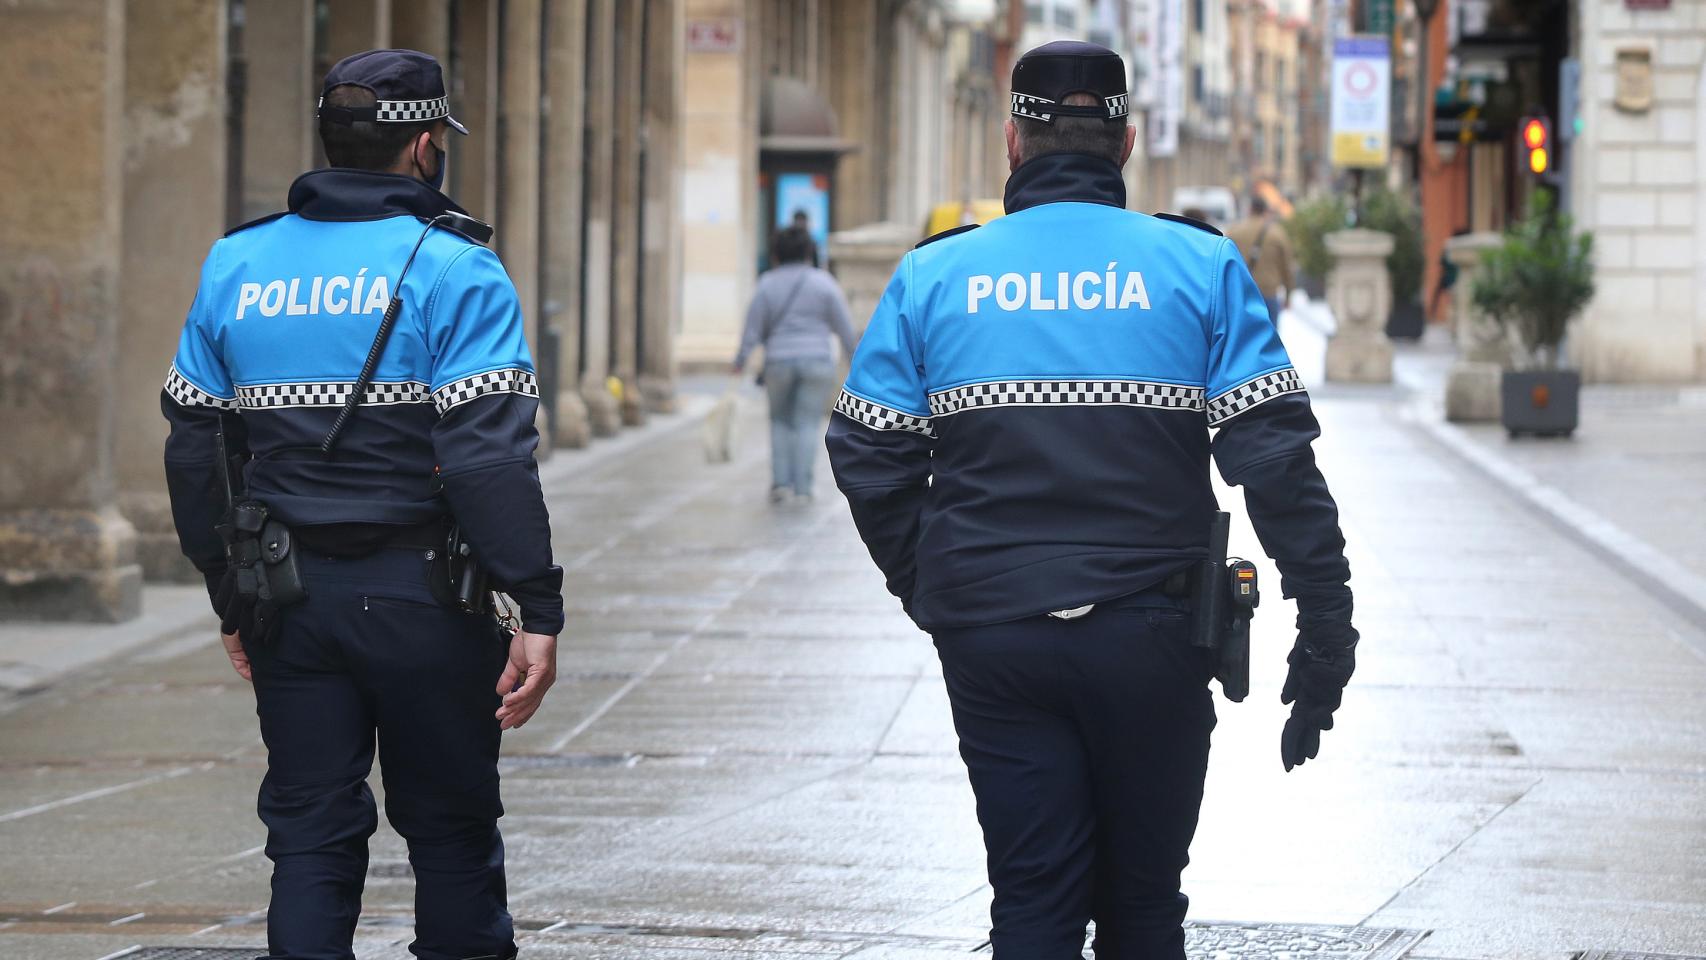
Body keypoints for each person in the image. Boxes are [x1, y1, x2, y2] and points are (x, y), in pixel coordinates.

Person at [826, 40, 1358, 960]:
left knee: (1031, 901)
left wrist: (939, 583)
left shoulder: (934, 275)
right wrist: (1326, 623)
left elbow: (866, 448)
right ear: (1126, 143)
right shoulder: (1199, 265)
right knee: (1145, 906)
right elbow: (1275, 463)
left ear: (1012, 143)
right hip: (1153, 634)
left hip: (995, 635)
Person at [162, 49, 562, 960]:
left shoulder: (236, 262)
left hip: (287, 600)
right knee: (452, 833)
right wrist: (537, 603)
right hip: (426, 598)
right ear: (425, 146)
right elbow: (489, 458)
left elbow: (195, 450)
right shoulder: (457, 267)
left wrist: (230, 592)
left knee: (307, 836)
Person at [734, 224, 857, 504]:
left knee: (779, 421)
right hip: (816, 362)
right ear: (808, 253)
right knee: (806, 423)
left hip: (778, 361)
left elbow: (752, 328)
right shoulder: (824, 283)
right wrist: (854, 358)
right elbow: (845, 328)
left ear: (776, 254)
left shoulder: (766, 284)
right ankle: (803, 487)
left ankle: (780, 483)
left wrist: (741, 359)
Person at [1224, 194, 1296, 321]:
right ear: (1265, 211)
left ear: (1250, 209)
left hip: (1241, 293)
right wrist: (1288, 295)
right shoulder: (1277, 234)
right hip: (1268, 293)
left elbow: (1223, 263)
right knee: (1269, 336)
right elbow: (1287, 267)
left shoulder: (1234, 232)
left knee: (1243, 337)